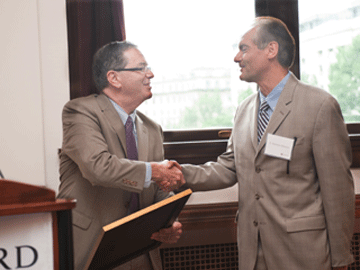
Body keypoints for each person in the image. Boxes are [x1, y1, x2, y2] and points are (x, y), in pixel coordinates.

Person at [177, 17, 355, 270]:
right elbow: (229, 167)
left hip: (304, 254)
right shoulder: (244, 110)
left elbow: (337, 191)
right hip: (252, 252)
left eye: (244, 48)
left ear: (271, 50)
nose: (237, 58)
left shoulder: (320, 106)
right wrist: (178, 174)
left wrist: (341, 259)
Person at [57, 41, 184, 270]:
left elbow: (157, 189)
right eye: (141, 68)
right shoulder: (80, 112)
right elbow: (98, 167)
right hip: (92, 250)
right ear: (114, 78)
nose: (150, 74)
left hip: (142, 251)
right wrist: (155, 170)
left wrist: (169, 222)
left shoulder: (152, 128)